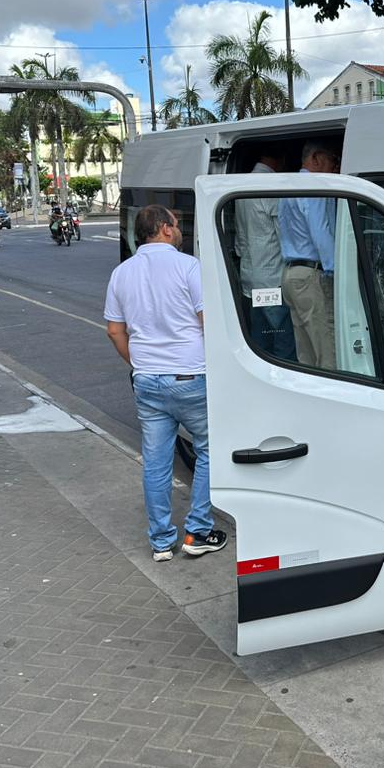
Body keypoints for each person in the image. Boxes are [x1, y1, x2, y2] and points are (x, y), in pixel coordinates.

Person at [104, 204, 226, 562]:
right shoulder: (189, 266)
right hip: (191, 376)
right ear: (165, 229)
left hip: (146, 381)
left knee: (156, 462)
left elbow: (114, 330)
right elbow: (209, 322)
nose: (179, 227)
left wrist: (140, 363)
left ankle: (161, 541)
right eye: (176, 222)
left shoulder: (121, 273)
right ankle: (198, 531)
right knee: (210, 448)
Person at [277, 140, 339, 369]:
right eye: (333, 159)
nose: (335, 166)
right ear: (316, 158)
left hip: (292, 274)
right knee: (327, 349)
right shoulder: (315, 185)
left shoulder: (288, 186)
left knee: (306, 352)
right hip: (313, 274)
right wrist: (337, 272)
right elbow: (320, 231)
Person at [234, 145, 296, 360]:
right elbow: (285, 235)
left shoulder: (242, 184)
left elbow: (240, 238)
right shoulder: (269, 186)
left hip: (250, 278)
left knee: (259, 343)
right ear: (280, 159)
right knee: (283, 343)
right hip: (272, 280)